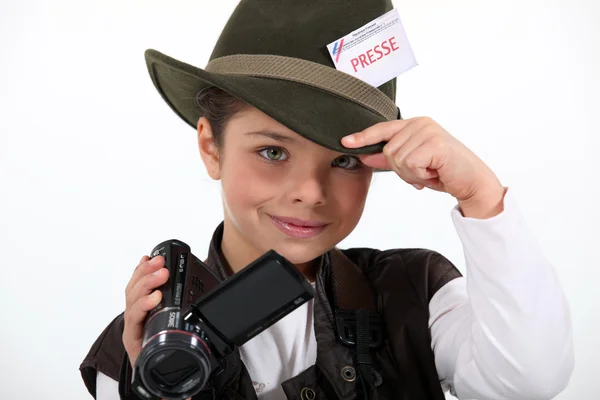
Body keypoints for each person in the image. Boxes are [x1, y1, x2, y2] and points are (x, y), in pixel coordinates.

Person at [80, 1, 575, 399]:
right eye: (272, 151)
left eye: (343, 160)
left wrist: (481, 195)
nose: (310, 193)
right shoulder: (135, 347)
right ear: (212, 146)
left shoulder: (412, 291)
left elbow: (528, 380)